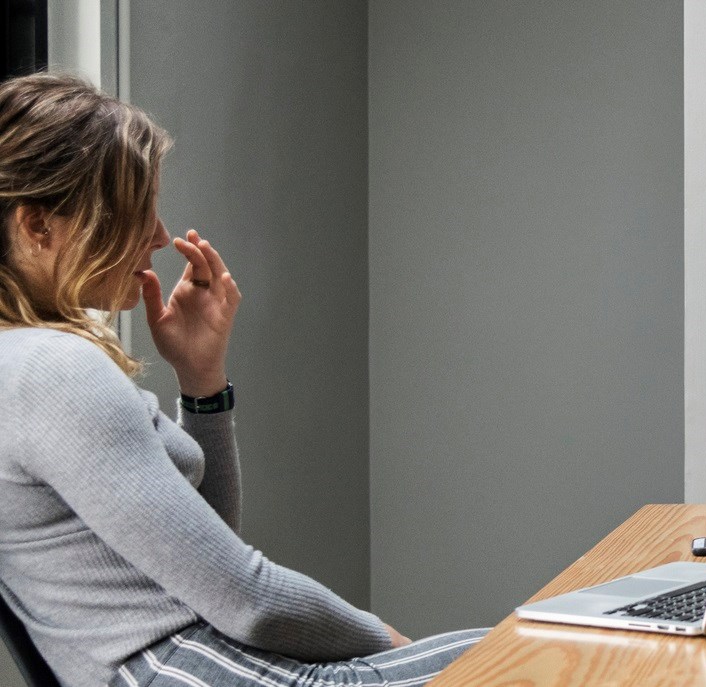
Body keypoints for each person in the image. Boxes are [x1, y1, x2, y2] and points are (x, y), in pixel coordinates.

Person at [0, 73, 484, 686]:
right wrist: (387, 642)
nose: (157, 236)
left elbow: (205, 550)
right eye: (133, 210)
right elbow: (245, 596)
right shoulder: (51, 370)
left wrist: (201, 379)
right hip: (202, 671)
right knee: (558, 655)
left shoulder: (24, 363)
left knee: (559, 645)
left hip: (212, 665)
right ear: (38, 226)